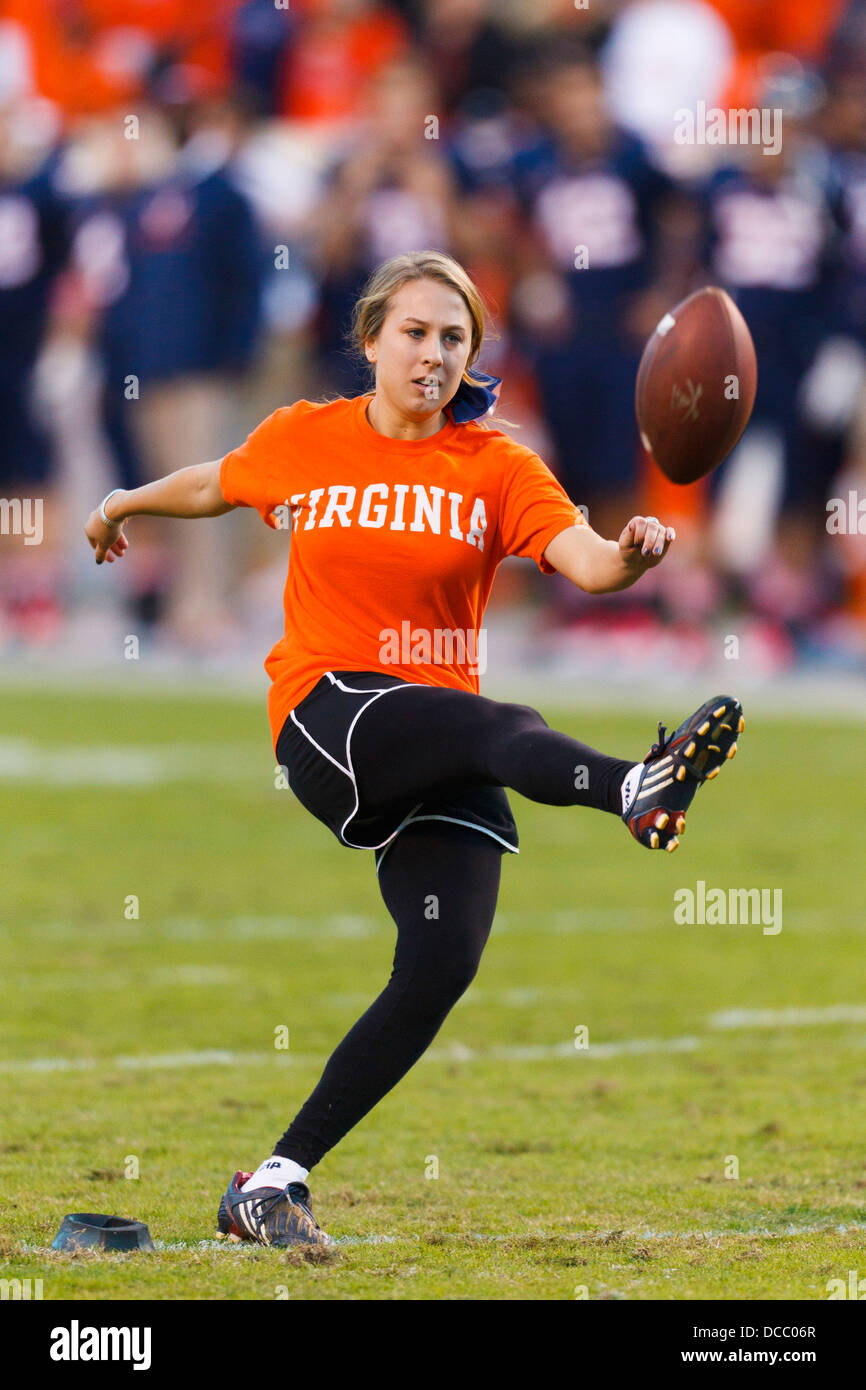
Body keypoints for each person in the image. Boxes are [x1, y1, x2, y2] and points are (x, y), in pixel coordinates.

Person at [84, 249, 744, 1250]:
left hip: (433, 731)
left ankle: (269, 1181)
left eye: (452, 338)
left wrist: (631, 553)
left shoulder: (495, 465)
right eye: (413, 332)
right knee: (494, 727)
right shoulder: (308, 434)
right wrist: (123, 502)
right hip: (329, 711)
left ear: (471, 354)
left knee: (440, 961)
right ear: (370, 340)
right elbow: (217, 483)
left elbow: (583, 558)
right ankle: (634, 786)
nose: (431, 353)